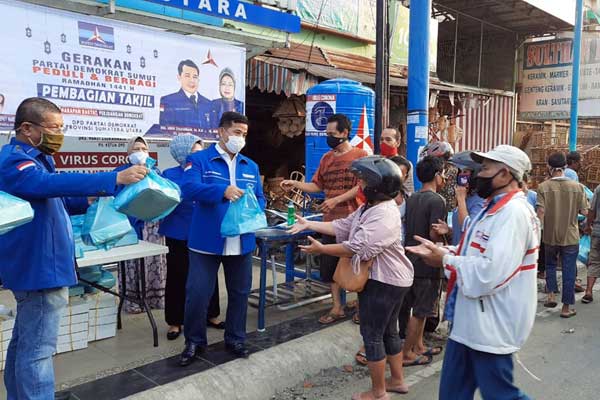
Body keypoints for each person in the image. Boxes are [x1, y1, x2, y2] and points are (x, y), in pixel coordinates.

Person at [0, 97, 147, 400]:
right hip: (39, 268)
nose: (59, 134)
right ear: (27, 128)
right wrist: (111, 178)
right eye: (53, 128)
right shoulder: (16, 160)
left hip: (43, 264)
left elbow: (56, 198)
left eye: (62, 128)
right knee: (39, 351)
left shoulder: (37, 158)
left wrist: (90, 199)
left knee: (25, 342)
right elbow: (43, 186)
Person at [406, 145, 540, 400]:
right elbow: (474, 251)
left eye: (485, 169)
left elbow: (491, 271)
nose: (478, 175)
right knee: (452, 393)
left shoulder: (513, 214)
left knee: (501, 394)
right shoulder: (493, 209)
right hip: (468, 322)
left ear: (504, 175)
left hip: (491, 324)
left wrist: (445, 259)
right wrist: (445, 250)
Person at [289, 156, 414, 400]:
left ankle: (378, 392)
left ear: (378, 186)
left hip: (384, 282)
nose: (360, 186)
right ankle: (397, 381)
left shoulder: (383, 214)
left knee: (372, 335)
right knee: (388, 331)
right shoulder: (370, 208)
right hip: (392, 279)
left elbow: (355, 247)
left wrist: (322, 250)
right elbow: (342, 226)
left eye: (364, 182)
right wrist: (308, 225)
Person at [180, 111, 265, 365]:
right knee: (197, 293)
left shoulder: (251, 166)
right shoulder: (199, 160)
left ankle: (236, 338)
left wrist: (256, 206)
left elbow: (259, 197)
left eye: (244, 135)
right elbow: (188, 189)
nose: (241, 138)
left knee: (240, 293)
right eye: (237, 133)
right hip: (207, 240)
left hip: (241, 240)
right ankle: (194, 341)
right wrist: (222, 191)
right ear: (222, 131)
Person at [280, 113, 367, 325]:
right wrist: (296, 185)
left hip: (354, 219)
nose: (328, 137)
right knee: (329, 266)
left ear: (344, 133)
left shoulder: (360, 155)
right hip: (330, 222)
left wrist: (336, 199)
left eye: (331, 133)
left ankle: (362, 308)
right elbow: (317, 186)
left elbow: (361, 185)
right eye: (326, 133)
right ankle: (337, 307)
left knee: (358, 264)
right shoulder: (326, 158)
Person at [159, 135, 224, 341]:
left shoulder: (207, 172)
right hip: (179, 233)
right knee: (178, 277)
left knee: (209, 274)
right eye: (195, 152)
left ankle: (211, 315)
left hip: (206, 231)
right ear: (182, 153)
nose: (200, 156)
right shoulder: (169, 175)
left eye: (201, 151)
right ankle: (175, 321)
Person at [400, 156, 447, 367]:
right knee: (421, 311)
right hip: (427, 261)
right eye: (443, 173)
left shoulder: (412, 198)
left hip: (410, 258)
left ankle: (418, 346)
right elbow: (434, 234)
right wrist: (448, 235)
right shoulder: (437, 201)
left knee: (416, 307)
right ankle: (407, 352)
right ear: (437, 176)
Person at [114, 137, 168, 313]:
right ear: (128, 153)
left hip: (152, 225)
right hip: (128, 225)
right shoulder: (120, 173)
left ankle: (155, 300)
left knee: (154, 261)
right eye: (136, 148)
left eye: (143, 148)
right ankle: (133, 301)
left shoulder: (155, 172)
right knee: (131, 264)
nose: (140, 152)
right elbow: (115, 199)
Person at [537, 152, 588, 318]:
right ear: (565, 167)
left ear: (549, 167)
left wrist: (537, 232)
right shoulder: (577, 187)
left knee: (550, 265)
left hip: (550, 235)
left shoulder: (543, 187)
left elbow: (541, 212)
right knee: (568, 270)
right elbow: (584, 211)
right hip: (571, 236)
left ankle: (551, 295)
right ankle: (566, 308)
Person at [432, 151, 486, 247]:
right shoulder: (466, 197)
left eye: (465, 172)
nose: (461, 175)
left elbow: (470, 230)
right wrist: (449, 231)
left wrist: (460, 199)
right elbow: (459, 233)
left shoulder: (479, 201)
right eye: (460, 172)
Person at [159, 59, 210, 129]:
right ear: (179, 77)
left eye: (195, 77)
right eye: (187, 76)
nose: (192, 80)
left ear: (198, 80)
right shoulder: (168, 101)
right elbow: (165, 130)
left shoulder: (208, 104)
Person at [380, 127, 414, 192]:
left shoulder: (405, 165)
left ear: (398, 143)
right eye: (381, 139)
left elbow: (408, 191)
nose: (383, 142)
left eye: (388, 139)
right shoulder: (375, 162)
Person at [583, 184, 600, 303]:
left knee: (594, 261)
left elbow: (592, 209)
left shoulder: (599, 188)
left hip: (598, 230)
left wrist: (588, 225)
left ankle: (588, 290)